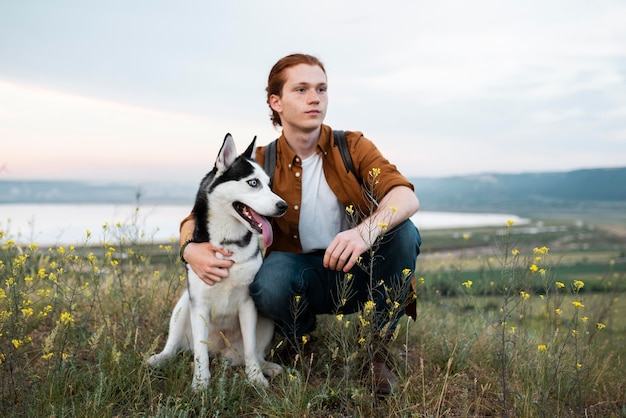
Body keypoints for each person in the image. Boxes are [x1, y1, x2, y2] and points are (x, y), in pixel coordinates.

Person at [179, 53, 421, 395]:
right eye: (302, 89)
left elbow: (405, 197)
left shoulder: (352, 146)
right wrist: (191, 249)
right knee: (272, 277)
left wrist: (363, 233)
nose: (315, 98)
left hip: (357, 269)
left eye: (321, 89)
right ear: (275, 102)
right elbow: (197, 216)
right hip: (298, 275)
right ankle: (301, 341)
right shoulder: (260, 163)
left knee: (403, 234)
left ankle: (376, 353)